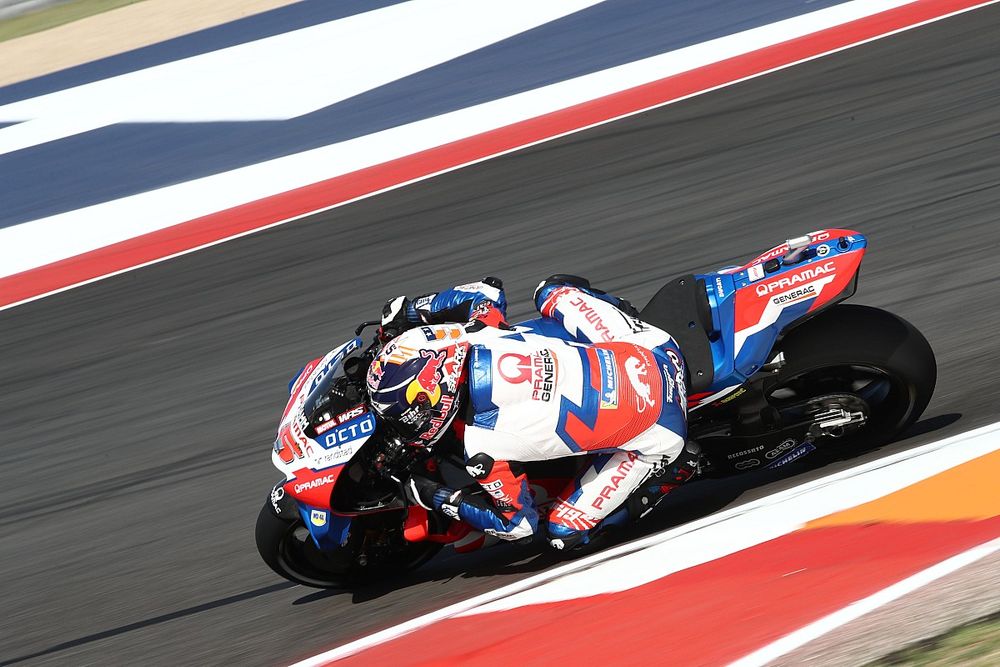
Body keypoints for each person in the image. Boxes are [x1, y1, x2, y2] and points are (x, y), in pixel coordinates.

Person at [366, 276, 699, 550]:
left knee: (563, 534)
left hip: (661, 424)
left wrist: (430, 494)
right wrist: (410, 311)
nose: (403, 422)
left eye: (405, 414)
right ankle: (628, 318)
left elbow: (519, 525)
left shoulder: (483, 447)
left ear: (436, 400)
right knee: (549, 289)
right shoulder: (479, 331)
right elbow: (487, 289)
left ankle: (670, 472)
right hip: (651, 344)